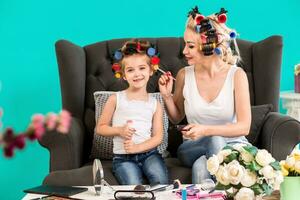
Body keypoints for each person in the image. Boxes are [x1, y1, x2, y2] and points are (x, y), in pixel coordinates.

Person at [158, 7, 251, 183]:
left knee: (201, 166)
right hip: (192, 148)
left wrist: (205, 130)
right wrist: (167, 96)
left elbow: (244, 127)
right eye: (185, 44)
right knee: (213, 140)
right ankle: (227, 185)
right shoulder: (184, 75)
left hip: (234, 146)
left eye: (190, 46)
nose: (184, 51)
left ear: (209, 46)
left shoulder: (236, 76)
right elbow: (177, 117)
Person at [96, 39, 169, 185]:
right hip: (123, 158)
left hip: (150, 155)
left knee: (161, 181)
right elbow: (100, 128)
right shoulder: (115, 99)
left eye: (142, 68)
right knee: (133, 186)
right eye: (130, 70)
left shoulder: (155, 104)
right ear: (123, 75)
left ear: (151, 70)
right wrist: (119, 131)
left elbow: (158, 137)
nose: (137, 74)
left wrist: (138, 148)